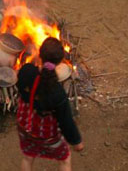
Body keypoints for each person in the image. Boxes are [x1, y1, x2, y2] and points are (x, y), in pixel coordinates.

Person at [16, 37, 84, 171]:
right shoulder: (56, 91)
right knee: (65, 160)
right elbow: (66, 121)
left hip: (25, 126)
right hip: (45, 134)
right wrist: (76, 142)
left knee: (27, 157)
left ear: (39, 55)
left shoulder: (26, 71)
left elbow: (20, 86)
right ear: (59, 62)